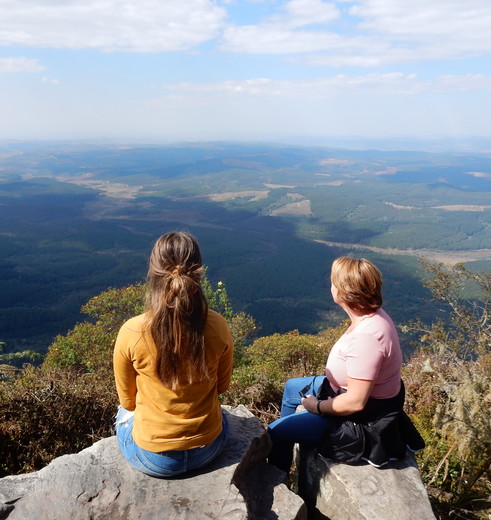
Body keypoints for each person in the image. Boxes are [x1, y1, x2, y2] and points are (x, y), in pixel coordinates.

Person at [268, 256, 405, 473]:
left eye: (333, 282)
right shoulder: (370, 315)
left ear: (343, 292)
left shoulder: (368, 337)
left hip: (356, 419)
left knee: (275, 431)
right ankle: (292, 437)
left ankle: (277, 476)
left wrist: (317, 407)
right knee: (292, 386)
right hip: (336, 390)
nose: (330, 286)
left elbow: (355, 403)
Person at [113, 231, 234, 477]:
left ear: (153, 271)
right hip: (208, 448)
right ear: (198, 271)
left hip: (154, 458)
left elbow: (128, 402)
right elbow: (222, 387)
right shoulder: (217, 325)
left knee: (122, 413)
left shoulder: (132, 331)